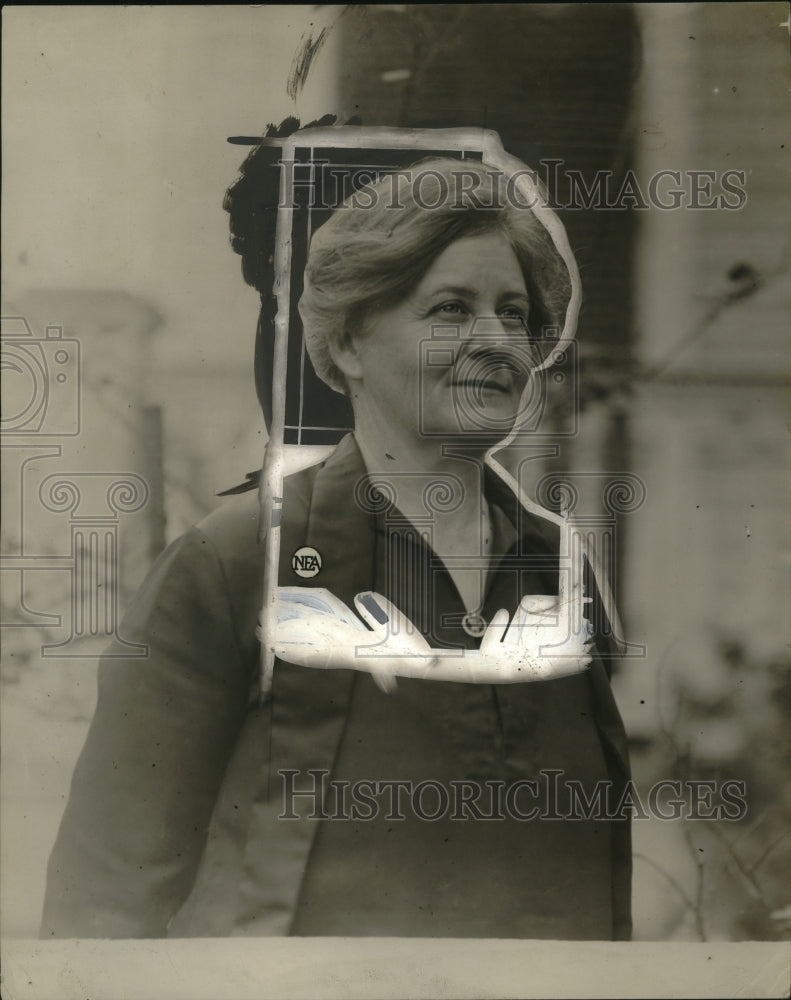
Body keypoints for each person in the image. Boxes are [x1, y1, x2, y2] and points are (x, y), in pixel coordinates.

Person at [41, 148, 632, 941]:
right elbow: (106, 895)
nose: (495, 340)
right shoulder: (235, 563)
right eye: (450, 309)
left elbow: (594, 873)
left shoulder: (560, 573)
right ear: (350, 346)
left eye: (514, 314)